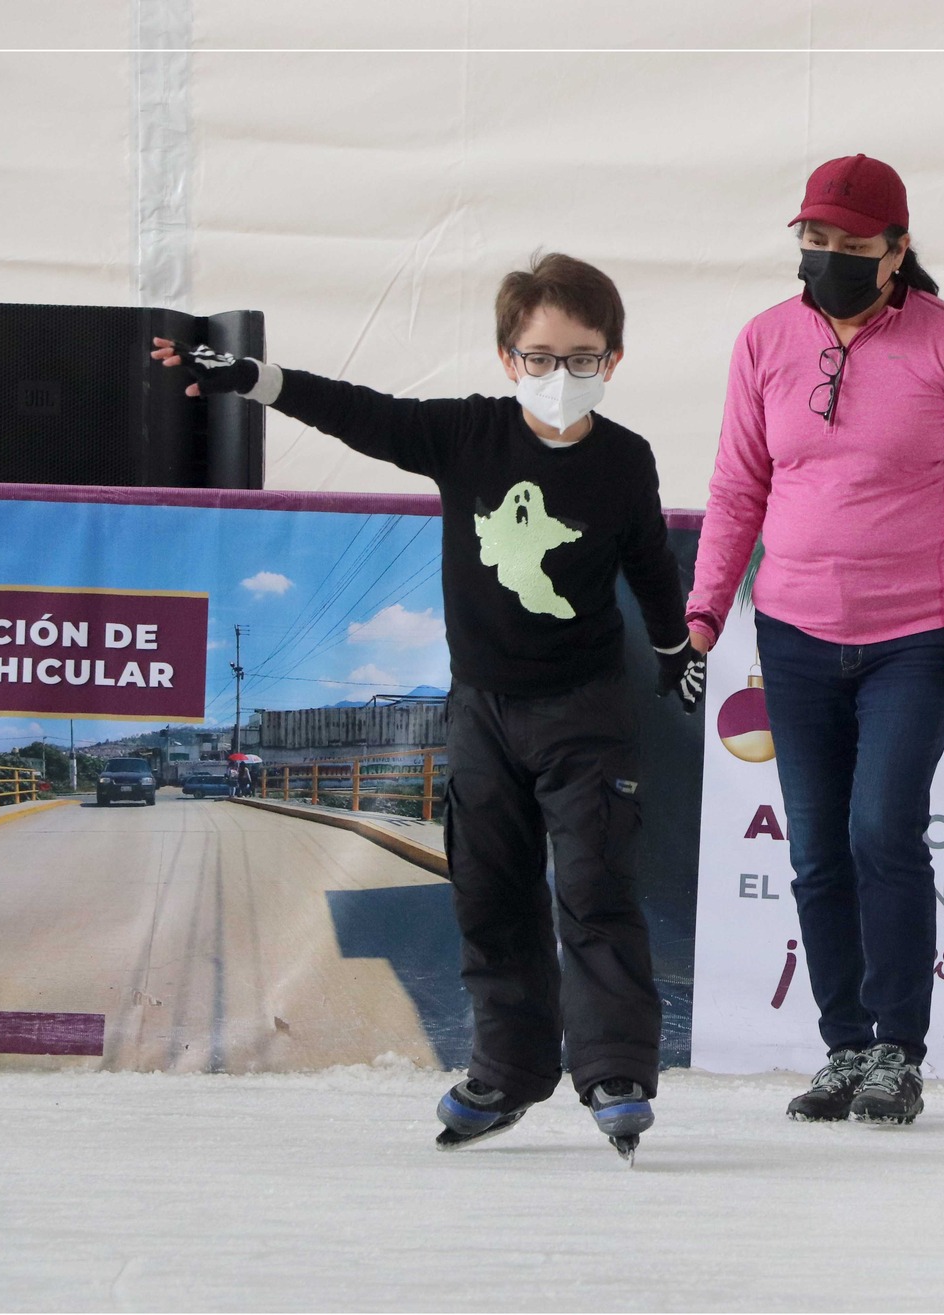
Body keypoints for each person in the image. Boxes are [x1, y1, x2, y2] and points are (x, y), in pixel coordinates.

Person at [151, 252, 707, 1158]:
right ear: (505, 357)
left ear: (612, 362)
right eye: (539, 355)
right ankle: (508, 1066)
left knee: (597, 885)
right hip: (485, 711)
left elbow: (648, 562)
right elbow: (359, 413)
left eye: (580, 358)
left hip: (587, 712)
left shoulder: (623, 459)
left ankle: (614, 1070)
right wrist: (257, 378)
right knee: (489, 892)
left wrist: (676, 647)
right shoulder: (466, 436)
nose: (557, 376)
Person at [686, 154, 944, 1125]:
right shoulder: (763, 342)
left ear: (897, 249)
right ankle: (841, 1050)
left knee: (882, 828)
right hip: (791, 630)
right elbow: (737, 484)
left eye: (849, 246)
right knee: (816, 850)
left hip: (919, 636)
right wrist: (706, 612)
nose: (827, 258)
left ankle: (895, 1051)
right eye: (813, 241)